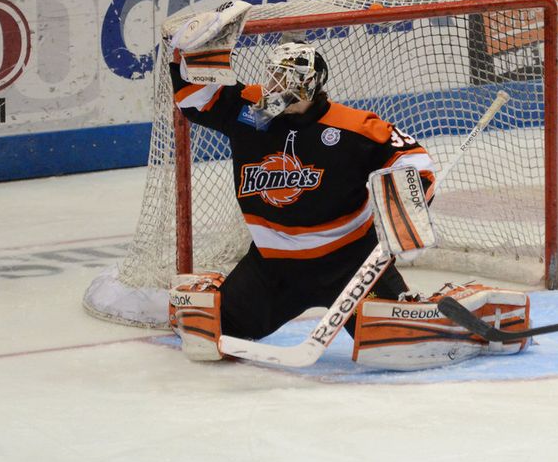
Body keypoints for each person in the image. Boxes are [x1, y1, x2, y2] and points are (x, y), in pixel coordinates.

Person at [168, 22, 433, 344]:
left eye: (284, 77)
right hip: (272, 266)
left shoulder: (351, 126)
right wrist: (187, 53)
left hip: (350, 262)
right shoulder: (252, 113)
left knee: (400, 340)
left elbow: (412, 159)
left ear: (308, 83)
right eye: (273, 75)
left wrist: (405, 211)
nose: (273, 84)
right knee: (215, 332)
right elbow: (196, 100)